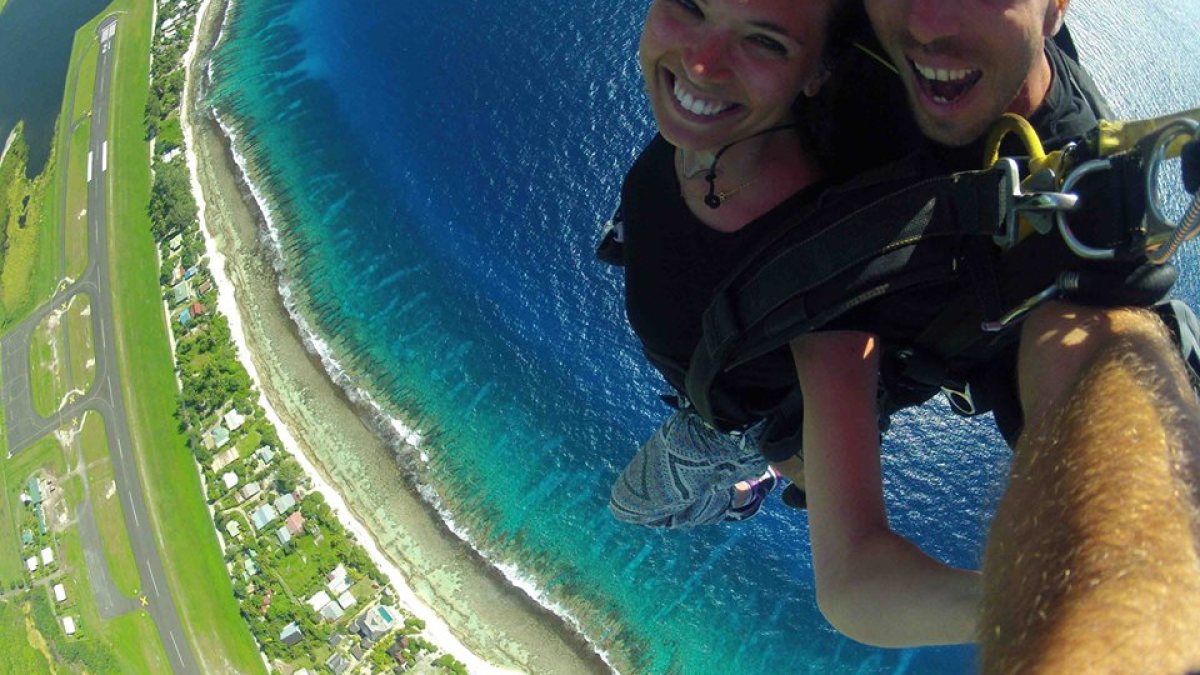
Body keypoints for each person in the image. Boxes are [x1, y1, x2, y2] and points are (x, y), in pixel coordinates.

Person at [765, 0, 1200, 658]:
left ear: (1056, 7)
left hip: (929, 332)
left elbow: (1098, 366)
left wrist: (1057, 603)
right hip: (838, 298)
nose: (932, 22)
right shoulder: (852, 28)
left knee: (786, 438)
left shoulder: (1080, 217)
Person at [603, 0, 845, 528]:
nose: (700, 66)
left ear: (819, 72)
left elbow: (852, 559)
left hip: (732, 430)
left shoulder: (819, 255)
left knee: (632, 508)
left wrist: (785, 458)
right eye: (691, 5)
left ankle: (746, 489)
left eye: (765, 41)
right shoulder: (706, 134)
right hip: (705, 392)